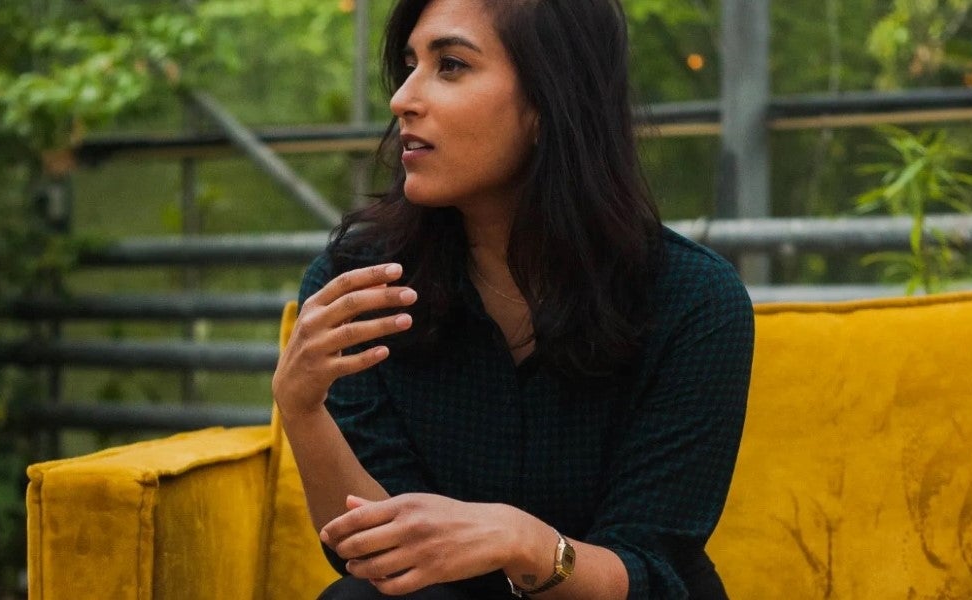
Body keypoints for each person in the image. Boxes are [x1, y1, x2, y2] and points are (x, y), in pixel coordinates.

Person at [271, 0, 754, 598]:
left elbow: (654, 572)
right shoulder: (361, 287)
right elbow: (382, 553)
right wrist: (303, 411)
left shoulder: (693, 299)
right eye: (410, 66)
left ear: (549, 101)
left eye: (450, 65)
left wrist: (525, 542)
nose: (402, 99)